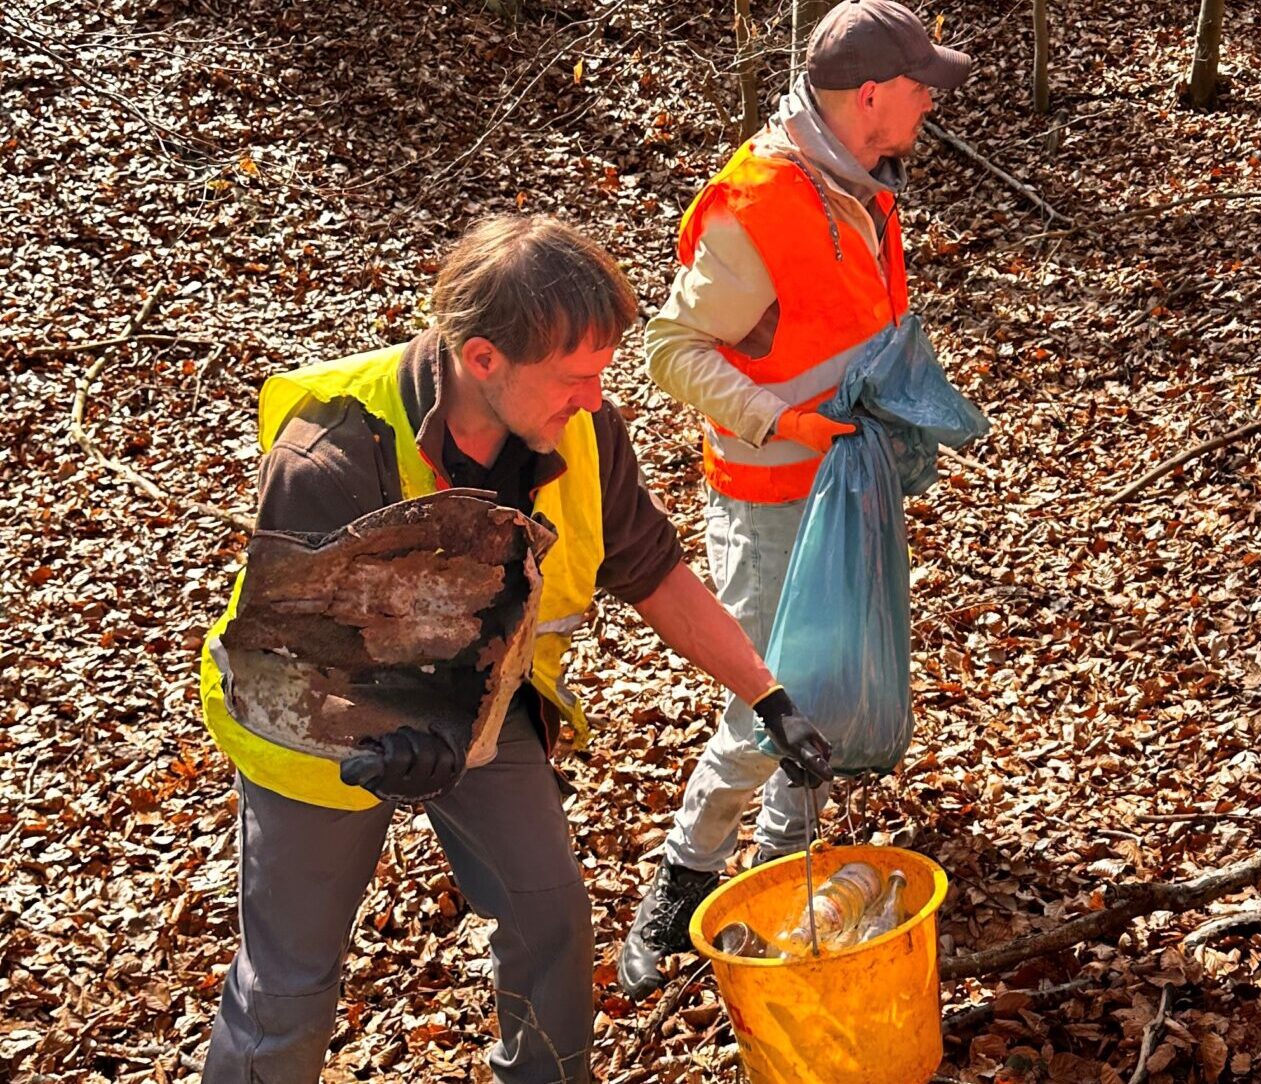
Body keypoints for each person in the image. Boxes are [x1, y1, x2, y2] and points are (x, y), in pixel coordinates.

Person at [197, 214, 829, 1084]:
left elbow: (655, 574)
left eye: (600, 374)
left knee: (550, 918)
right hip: (311, 731)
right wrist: (387, 737)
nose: (594, 399)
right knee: (290, 987)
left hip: (482, 707)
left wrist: (768, 698)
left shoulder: (580, 431)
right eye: (575, 378)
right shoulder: (333, 453)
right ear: (483, 358)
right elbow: (297, 658)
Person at [616, 0, 971, 999]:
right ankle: (681, 887)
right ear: (871, 96)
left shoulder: (858, 183)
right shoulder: (760, 205)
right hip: (772, 497)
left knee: (829, 688)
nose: (931, 102)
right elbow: (670, 352)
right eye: (921, 86)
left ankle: (784, 861)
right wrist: (784, 420)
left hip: (843, 487)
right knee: (768, 702)